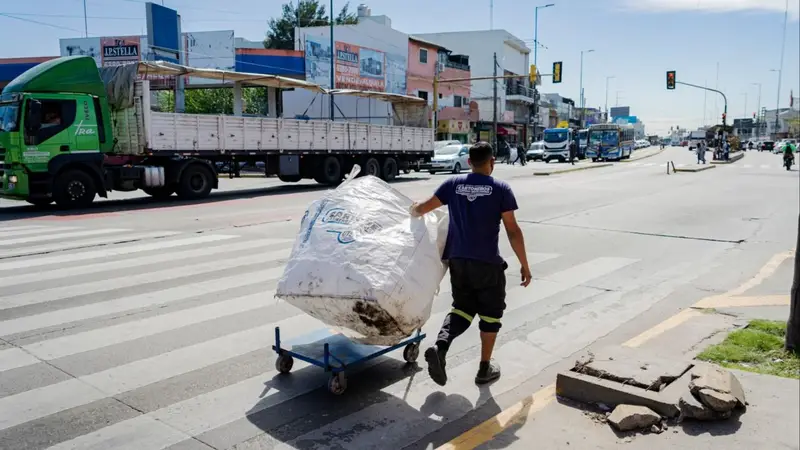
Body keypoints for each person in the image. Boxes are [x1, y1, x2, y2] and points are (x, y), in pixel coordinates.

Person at [410, 142, 531, 386]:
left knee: (462, 308)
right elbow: (513, 231)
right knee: (490, 315)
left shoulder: (452, 185)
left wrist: (413, 209)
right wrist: (524, 265)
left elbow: (422, 209)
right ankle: (484, 369)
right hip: (487, 264)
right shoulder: (501, 189)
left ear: (468, 162)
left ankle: (440, 347)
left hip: (459, 262)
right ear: (492, 162)